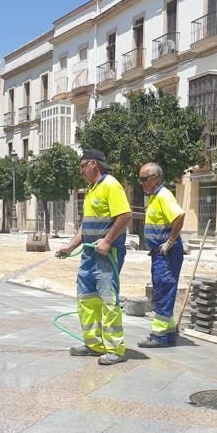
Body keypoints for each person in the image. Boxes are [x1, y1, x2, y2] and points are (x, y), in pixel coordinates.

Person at [56, 149, 132, 365]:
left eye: (82, 166)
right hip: (89, 255)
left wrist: (107, 240)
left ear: (94, 164)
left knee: (108, 301)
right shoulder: (92, 190)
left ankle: (115, 349)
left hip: (107, 255)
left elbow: (125, 215)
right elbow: (85, 227)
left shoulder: (111, 185)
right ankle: (94, 344)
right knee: (87, 300)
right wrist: (69, 247)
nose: (81, 170)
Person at [136, 163, 185, 348]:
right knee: (162, 290)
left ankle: (159, 336)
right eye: (139, 179)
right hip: (160, 252)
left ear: (155, 178)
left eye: (144, 179)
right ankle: (169, 333)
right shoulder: (154, 197)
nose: (141, 183)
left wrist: (169, 242)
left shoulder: (164, 196)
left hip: (167, 253)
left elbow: (179, 216)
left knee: (163, 291)